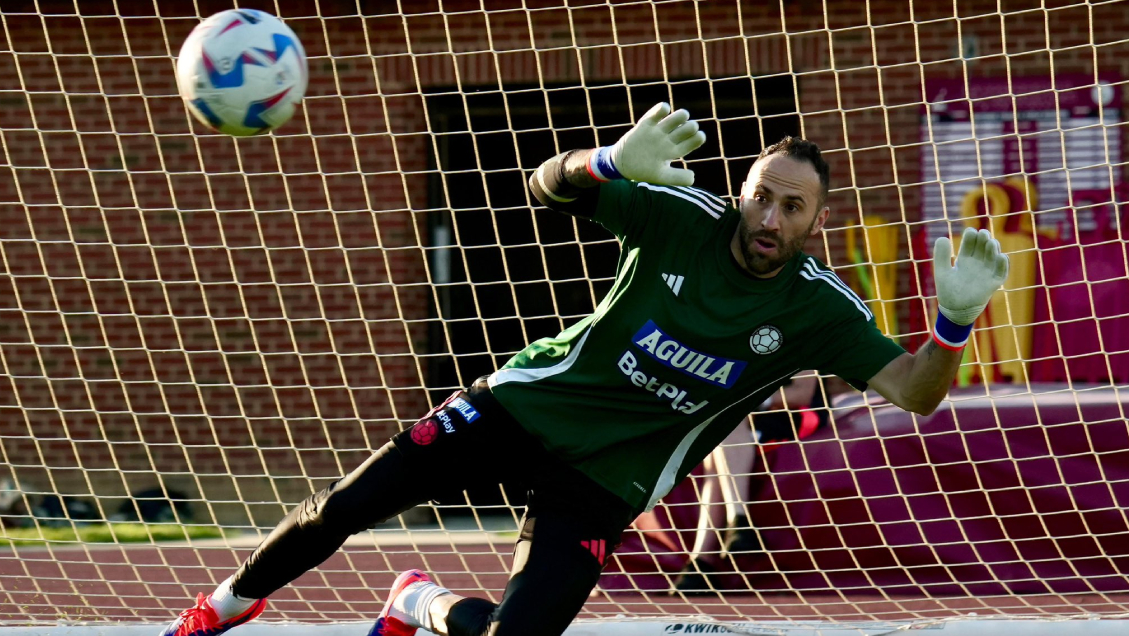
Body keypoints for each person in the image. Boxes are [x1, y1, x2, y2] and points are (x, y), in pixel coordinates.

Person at [161, 102, 1009, 636]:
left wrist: (954, 321)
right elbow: (542, 184)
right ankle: (219, 609)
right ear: (742, 190)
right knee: (345, 506)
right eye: (760, 194)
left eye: (791, 207)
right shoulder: (684, 216)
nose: (768, 216)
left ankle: (415, 602)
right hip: (524, 406)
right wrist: (605, 162)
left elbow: (914, 393)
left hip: (610, 479)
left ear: (813, 222)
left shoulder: (822, 309)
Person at [671, 372, 832, 594]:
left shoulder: (801, 338)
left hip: (795, 415)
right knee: (719, 436)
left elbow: (802, 394)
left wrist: (746, 400)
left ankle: (704, 559)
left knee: (724, 424)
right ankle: (731, 533)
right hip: (749, 417)